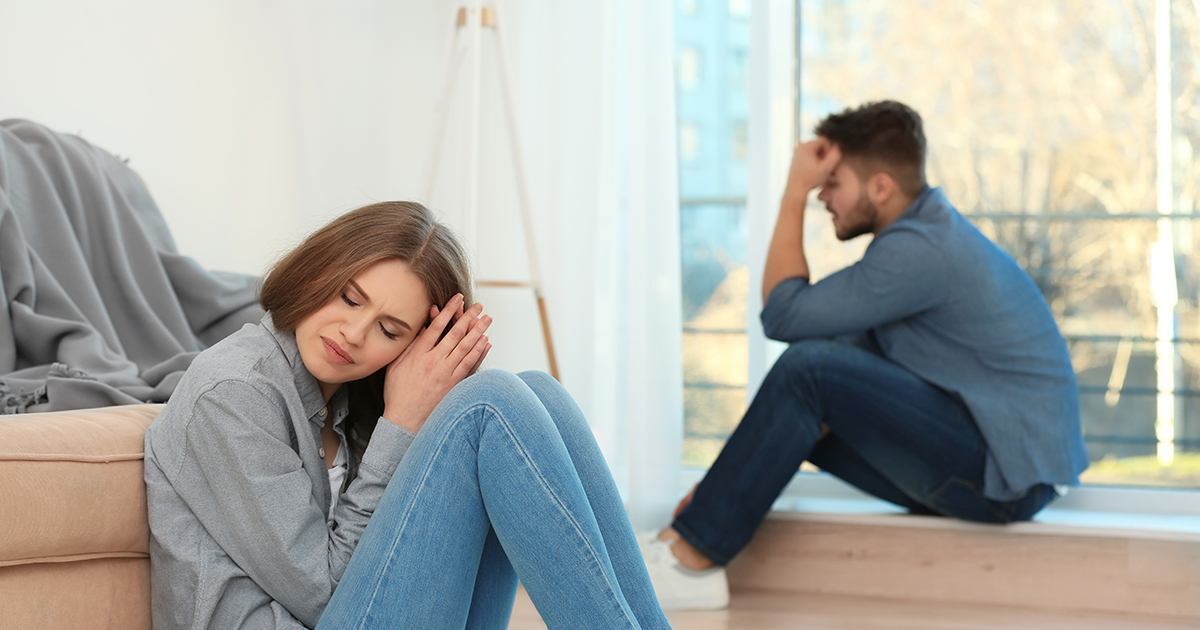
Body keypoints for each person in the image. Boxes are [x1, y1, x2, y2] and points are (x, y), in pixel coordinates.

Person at [639, 100, 1088, 611]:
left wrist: (792, 192)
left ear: (880, 188)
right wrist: (715, 489)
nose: (821, 195)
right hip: (998, 470)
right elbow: (827, 359)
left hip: (1004, 481)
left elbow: (783, 315)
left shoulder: (921, 249)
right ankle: (688, 542)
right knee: (804, 393)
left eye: (832, 183)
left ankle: (692, 561)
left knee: (809, 371)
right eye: (817, 185)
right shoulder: (923, 236)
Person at [143, 201, 672, 630]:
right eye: (350, 299)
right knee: (489, 404)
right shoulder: (233, 392)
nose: (354, 334)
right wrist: (400, 426)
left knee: (538, 393)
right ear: (318, 270)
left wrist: (415, 408)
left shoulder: (346, 398)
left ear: (412, 348)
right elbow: (323, 598)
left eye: (389, 330)